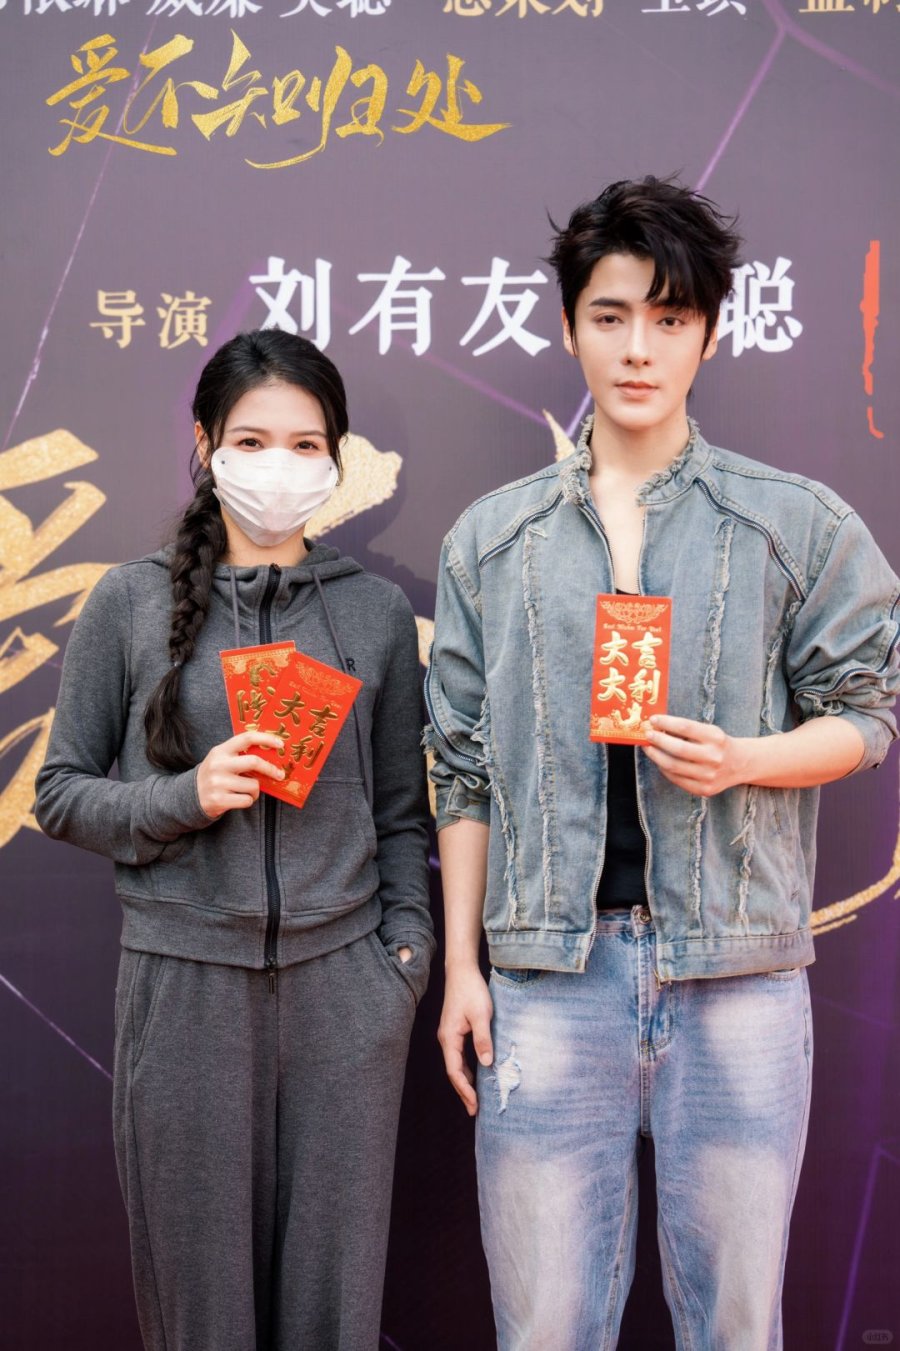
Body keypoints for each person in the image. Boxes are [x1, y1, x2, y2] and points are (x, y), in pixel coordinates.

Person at [425, 177, 899, 1350]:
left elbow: (869, 710)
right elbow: (462, 765)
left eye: (670, 318)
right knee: (545, 1327)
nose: (639, 348)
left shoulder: (794, 522)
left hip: (736, 976)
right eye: (611, 315)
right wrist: (463, 966)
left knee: (736, 1324)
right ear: (569, 325)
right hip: (547, 977)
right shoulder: (492, 539)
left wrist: (747, 757)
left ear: (710, 333)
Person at [35, 329, 434, 1351]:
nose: (279, 466)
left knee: (332, 1311)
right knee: (200, 1312)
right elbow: (61, 793)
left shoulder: (376, 613)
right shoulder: (129, 600)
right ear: (206, 443)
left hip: (346, 996)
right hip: (184, 993)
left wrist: (400, 962)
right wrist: (187, 795)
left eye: (307, 444)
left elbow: (402, 814)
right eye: (253, 441)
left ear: (337, 459)